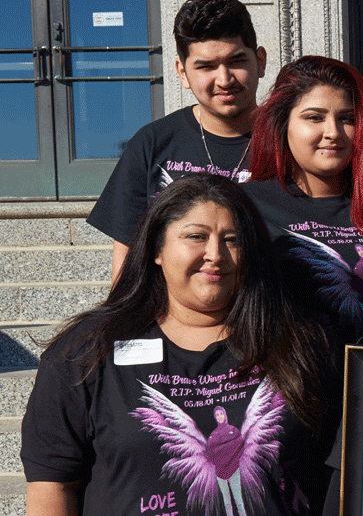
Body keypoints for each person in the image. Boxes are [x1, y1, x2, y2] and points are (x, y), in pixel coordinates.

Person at [21, 174, 335, 516]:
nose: (215, 254)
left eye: (232, 240)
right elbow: (53, 484)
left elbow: (337, 471)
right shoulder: (86, 351)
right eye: (196, 237)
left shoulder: (299, 345)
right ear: (157, 248)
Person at [88, 0, 267, 282]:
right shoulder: (151, 144)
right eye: (206, 66)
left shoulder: (290, 143)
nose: (224, 79)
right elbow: (126, 262)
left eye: (236, 61)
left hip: (264, 316)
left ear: (259, 60)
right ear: (182, 73)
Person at [242, 56, 363, 349]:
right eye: (315, 117)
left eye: (347, 119)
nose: (333, 132)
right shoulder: (247, 207)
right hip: (296, 385)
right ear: (282, 123)